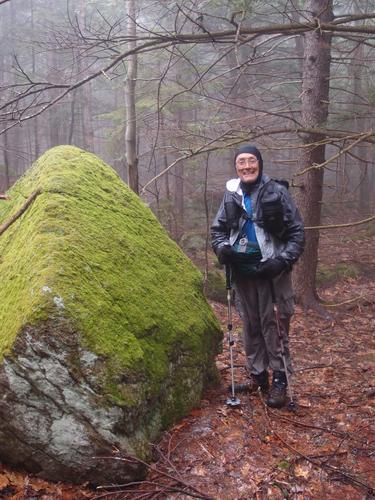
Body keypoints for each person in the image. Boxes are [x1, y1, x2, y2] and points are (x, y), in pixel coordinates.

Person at [211, 145, 304, 408]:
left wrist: (281, 261)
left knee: (274, 326)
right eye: (241, 162)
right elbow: (217, 230)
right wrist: (222, 249)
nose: (247, 166)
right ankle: (258, 377)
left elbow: (297, 234)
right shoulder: (231, 194)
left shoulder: (277, 191)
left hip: (272, 273)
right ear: (236, 167)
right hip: (243, 273)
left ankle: (279, 382)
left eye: (252, 161)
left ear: (260, 164)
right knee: (251, 326)